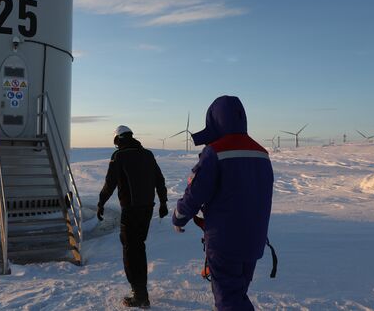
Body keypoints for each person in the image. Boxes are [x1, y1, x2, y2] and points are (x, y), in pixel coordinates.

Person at [172, 96, 274, 311]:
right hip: (254, 240)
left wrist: (179, 216)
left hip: (225, 242)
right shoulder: (262, 153)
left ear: (215, 120)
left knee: (229, 300)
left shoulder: (215, 152)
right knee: (237, 293)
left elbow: (195, 193)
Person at [97, 125, 168, 308]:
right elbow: (159, 179)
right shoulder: (148, 154)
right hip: (147, 209)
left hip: (131, 210)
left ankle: (140, 296)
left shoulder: (119, 156)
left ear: (118, 139)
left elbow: (109, 184)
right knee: (138, 247)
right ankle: (141, 291)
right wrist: (163, 203)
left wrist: (101, 203)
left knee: (131, 250)